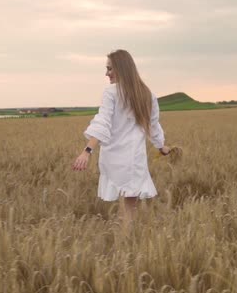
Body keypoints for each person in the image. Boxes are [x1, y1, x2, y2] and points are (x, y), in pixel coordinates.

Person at [72, 49, 171, 222]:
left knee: (123, 207)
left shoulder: (111, 93)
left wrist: (87, 150)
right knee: (129, 207)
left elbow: (103, 122)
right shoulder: (148, 95)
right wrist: (161, 146)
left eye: (110, 69)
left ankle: (123, 242)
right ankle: (127, 241)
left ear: (122, 68)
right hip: (134, 159)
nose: (106, 73)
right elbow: (153, 126)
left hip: (113, 159)